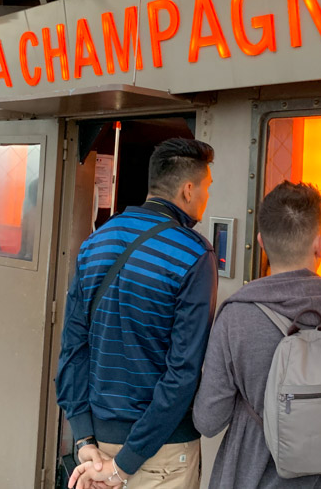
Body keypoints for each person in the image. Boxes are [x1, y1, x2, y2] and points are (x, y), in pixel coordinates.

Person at [193, 181, 321, 489]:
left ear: (262, 243)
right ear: (320, 243)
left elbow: (208, 420)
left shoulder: (236, 317)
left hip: (252, 477)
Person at [59, 138, 218, 489]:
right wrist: (125, 464)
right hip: (161, 451)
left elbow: (73, 348)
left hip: (98, 444)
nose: (207, 197)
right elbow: (182, 373)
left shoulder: (95, 242)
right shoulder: (193, 255)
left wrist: (84, 438)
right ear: (188, 190)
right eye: (206, 187)